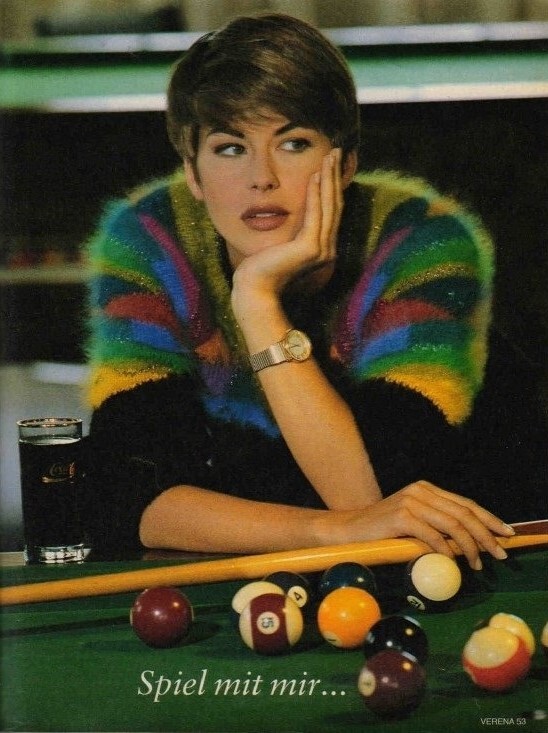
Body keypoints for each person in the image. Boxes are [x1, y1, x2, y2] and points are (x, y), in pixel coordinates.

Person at [83, 13, 541, 568]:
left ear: (344, 165)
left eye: (294, 143)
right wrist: (331, 530)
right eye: (231, 148)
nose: (262, 178)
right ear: (194, 174)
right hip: (268, 573)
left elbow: (373, 496)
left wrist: (257, 303)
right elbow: (124, 495)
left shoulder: (423, 242)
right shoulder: (152, 238)